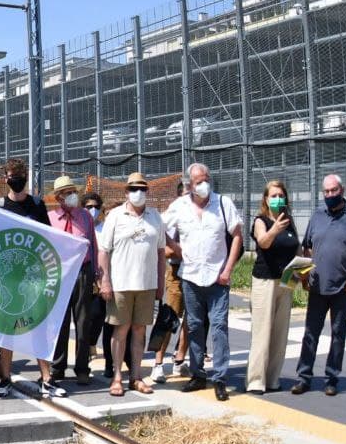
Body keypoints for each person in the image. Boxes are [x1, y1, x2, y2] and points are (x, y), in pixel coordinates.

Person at [164, 162, 243, 402]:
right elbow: (161, 228)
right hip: (191, 276)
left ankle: (219, 378)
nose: (204, 184)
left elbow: (237, 235)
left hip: (218, 277)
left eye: (207, 179)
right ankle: (197, 374)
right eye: (199, 181)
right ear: (189, 185)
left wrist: (228, 269)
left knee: (219, 326)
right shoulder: (179, 206)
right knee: (195, 326)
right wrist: (176, 248)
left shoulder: (223, 203)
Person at [0, 158, 65, 398]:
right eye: (12, 176)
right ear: (6, 179)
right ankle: (5, 379)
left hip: (32, 277)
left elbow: (47, 237)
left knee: (38, 327)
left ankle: (47, 378)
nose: (17, 180)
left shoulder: (37, 205)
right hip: (8, 277)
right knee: (7, 330)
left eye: (20, 176)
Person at [98, 172, 166, 397]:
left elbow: (161, 252)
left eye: (142, 189)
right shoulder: (115, 216)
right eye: (134, 188)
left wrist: (160, 282)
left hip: (146, 284)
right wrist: (105, 280)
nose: (138, 192)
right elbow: (104, 251)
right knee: (120, 330)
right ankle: (117, 376)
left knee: (139, 330)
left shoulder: (155, 217)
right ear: (126, 192)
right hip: (121, 283)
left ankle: (136, 376)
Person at [295, 173, 346, 397]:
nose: (330, 195)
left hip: (343, 287)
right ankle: (304, 377)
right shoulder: (317, 216)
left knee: (338, 334)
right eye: (326, 191)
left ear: (342, 190)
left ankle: (331, 379)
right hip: (317, 286)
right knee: (310, 333)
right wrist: (305, 276)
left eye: (334, 190)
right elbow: (307, 248)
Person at [246, 180, 298, 394]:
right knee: (262, 331)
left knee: (280, 332)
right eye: (273, 195)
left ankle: (273, 378)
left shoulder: (289, 221)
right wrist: (275, 229)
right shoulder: (261, 221)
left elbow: (295, 248)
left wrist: (302, 269)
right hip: (265, 281)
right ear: (266, 199)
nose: (277, 199)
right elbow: (263, 242)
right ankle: (256, 380)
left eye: (281, 195)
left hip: (287, 280)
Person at [49, 175, 100, 388]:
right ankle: (57, 366)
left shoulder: (85, 216)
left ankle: (82, 368)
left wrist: (96, 272)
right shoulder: (50, 218)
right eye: (67, 193)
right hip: (60, 272)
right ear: (58, 197)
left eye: (73, 192)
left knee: (83, 320)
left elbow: (93, 245)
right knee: (59, 321)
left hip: (82, 271)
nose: (72, 196)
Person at [152, 179, 190, 382]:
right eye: (186, 195)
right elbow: (163, 248)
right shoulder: (174, 217)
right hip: (176, 271)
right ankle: (158, 363)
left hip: (197, 273)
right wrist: (179, 250)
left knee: (193, 320)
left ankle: (179, 360)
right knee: (170, 317)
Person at [82, 191, 114, 378]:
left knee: (100, 318)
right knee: (86, 319)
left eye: (96, 207)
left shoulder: (105, 229)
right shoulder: (80, 227)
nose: (92, 210)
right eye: (88, 207)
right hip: (84, 279)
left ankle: (96, 347)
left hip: (102, 280)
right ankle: (86, 352)